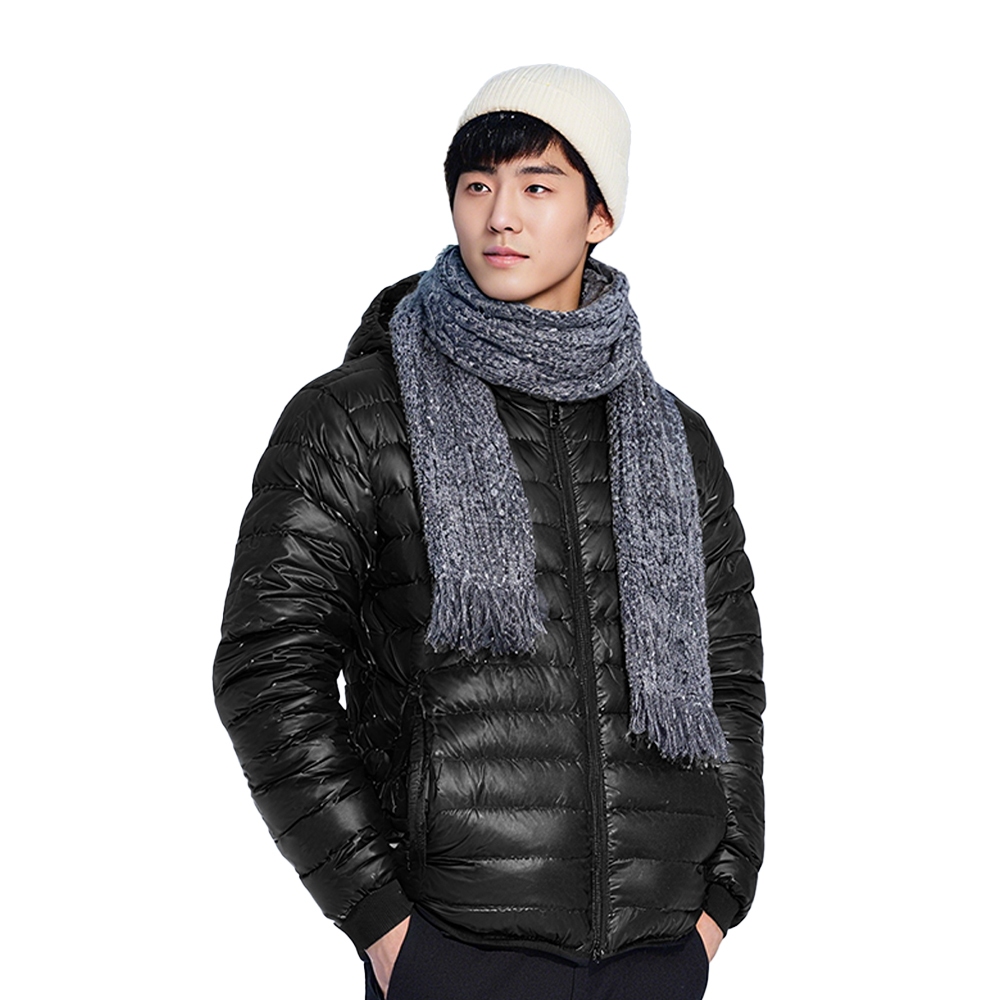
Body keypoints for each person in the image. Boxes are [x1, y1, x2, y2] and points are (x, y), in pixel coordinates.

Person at [213, 64, 764, 1000]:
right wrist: (381, 922)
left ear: (599, 216)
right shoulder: (357, 416)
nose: (499, 216)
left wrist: (719, 903)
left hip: (659, 952)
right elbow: (268, 671)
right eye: (477, 186)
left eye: (537, 187)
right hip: (453, 949)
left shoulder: (676, 438)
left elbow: (729, 685)